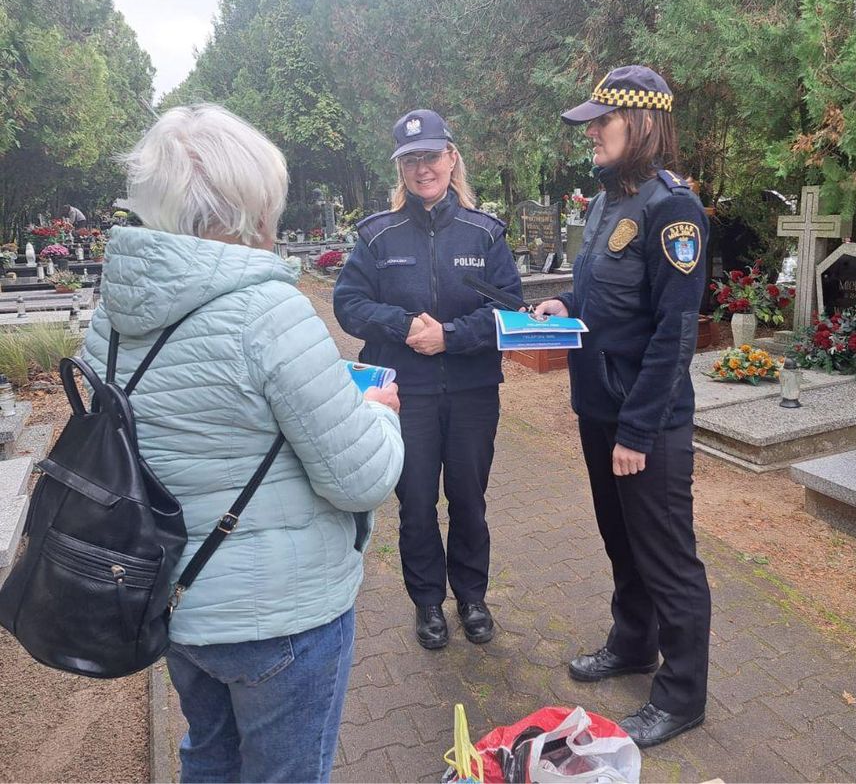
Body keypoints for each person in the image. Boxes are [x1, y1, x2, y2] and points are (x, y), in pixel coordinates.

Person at [81, 104, 405, 783]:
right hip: (279, 617)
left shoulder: (112, 313)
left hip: (176, 601)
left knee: (209, 758)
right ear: (250, 202)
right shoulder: (268, 310)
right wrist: (377, 412)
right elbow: (361, 479)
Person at [534, 66, 712, 748]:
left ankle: (681, 696)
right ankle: (633, 644)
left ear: (638, 124)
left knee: (668, 558)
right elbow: (606, 295)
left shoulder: (674, 210)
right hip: (599, 405)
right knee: (622, 541)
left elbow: (673, 333)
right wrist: (565, 306)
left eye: (599, 124)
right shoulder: (608, 202)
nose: (590, 138)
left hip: (648, 422)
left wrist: (638, 430)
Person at [334, 109, 522, 650]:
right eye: (411, 160)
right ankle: (427, 604)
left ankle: (471, 597)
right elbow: (348, 305)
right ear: (401, 169)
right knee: (415, 503)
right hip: (406, 393)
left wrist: (452, 337)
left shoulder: (484, 234)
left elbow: (509, 313)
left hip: (471, 393)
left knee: (468, 498)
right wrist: (401, 324)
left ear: (451, 158)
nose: (423, 169)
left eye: (431, 156)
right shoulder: (377, 235)